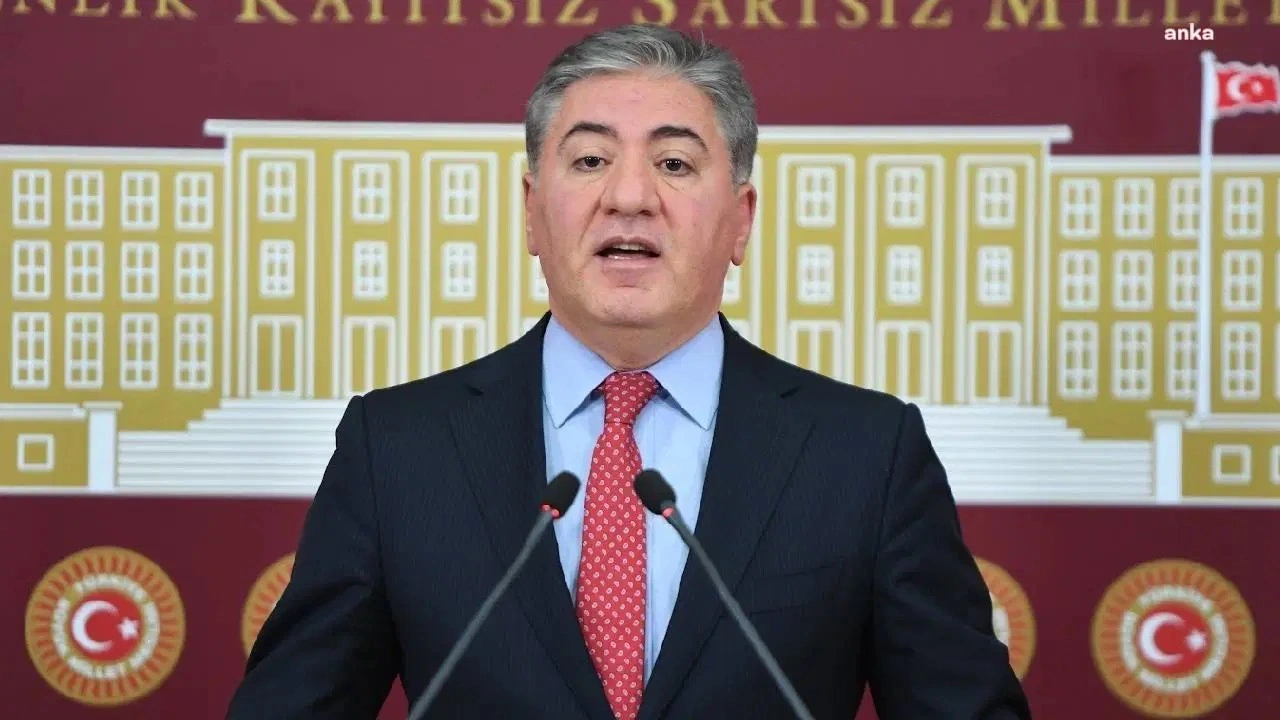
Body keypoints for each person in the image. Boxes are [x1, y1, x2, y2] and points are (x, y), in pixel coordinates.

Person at [225, 24, 1032, 720]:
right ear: (531, 212)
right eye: (589, 160)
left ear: (741, 220)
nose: (630, 196)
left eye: (675, 164)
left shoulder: (866, 454)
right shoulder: (399, 448)